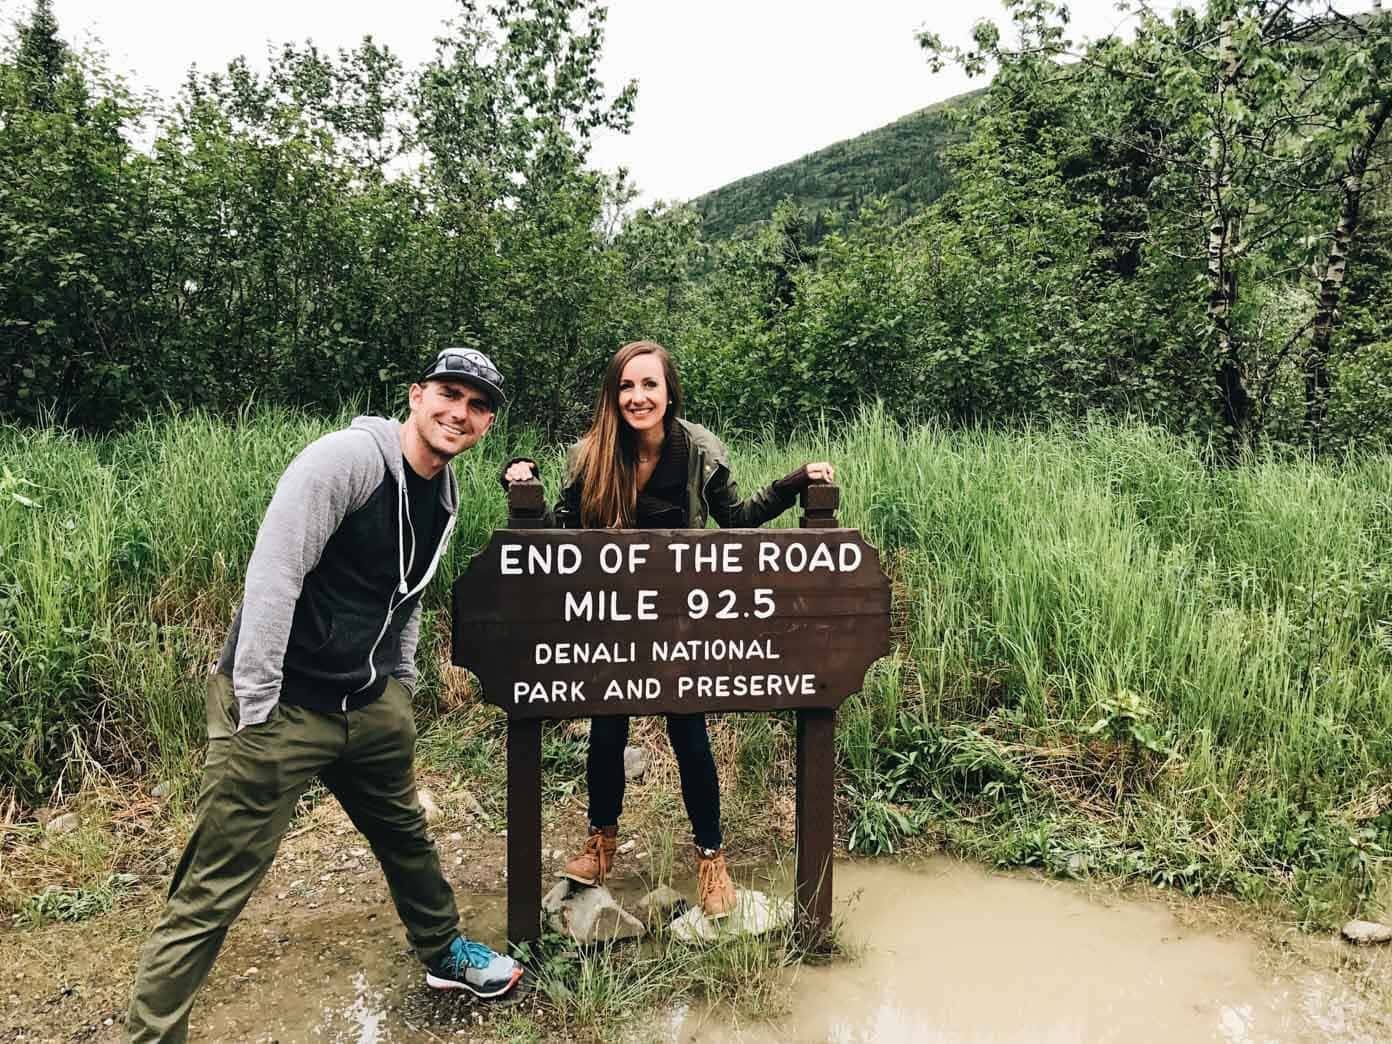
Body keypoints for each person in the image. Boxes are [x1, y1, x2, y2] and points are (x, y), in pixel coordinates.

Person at [128, 348, 523, 1044]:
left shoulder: (445, 492)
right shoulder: (346, 462)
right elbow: (274, 574)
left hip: (367, 707)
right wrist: (255, 703)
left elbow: (407, 594)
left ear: (488, 423)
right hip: (283, 708)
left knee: (406, 838)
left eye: (477, 405)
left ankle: (443, 953)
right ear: (416, 395)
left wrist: (401, 686)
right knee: (213, 889)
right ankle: (151, 1036)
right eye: (448, 394)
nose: (459, 413)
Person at [503, 340, 833, 919]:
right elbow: (563, 535)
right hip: (612, 618)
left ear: (669, 392)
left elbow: (737, 520)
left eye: (649, 384)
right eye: (627, 386)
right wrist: (522, 484)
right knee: (606, 731)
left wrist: (794, 482)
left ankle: (711, 860)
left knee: (690, 735)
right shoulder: (592, 455)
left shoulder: (698, 451)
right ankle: (600, 845)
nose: (638, 397)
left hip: (680, 623)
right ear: (613, 396)